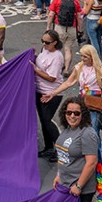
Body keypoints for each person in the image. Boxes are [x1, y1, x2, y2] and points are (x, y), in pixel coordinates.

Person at [42, 45, 102, 134]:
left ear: (92, 56)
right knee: (79, 127)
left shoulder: (99, 69)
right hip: (82, 100)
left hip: (94, 102)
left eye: (85, 56)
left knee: (93, 128)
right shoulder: (79, 67)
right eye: (81, 56)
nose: (82, 58)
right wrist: (53, 93)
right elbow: (68, 83)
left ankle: (95, 147)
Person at [52, 97, 99, 202]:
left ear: (82, 114)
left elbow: (92, 162)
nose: (72, 116)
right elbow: (63, 155)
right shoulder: (68, 129)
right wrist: (58, 175)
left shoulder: (87, 133)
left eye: (76, 113)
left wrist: (79, 186)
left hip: (80, 191)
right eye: (69, 112)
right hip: (65, 185)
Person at [33, 29, 64, 162]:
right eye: (42, 41)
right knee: (43, 121)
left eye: (47, 42)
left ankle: (60, 150)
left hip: (52, 92)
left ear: (55, 43)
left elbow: (52, 77)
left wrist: (35, 70)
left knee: (47, 120)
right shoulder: (45, 50)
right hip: (40, 90)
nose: (44, 44)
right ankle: (48, 147)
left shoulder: (57, 57)